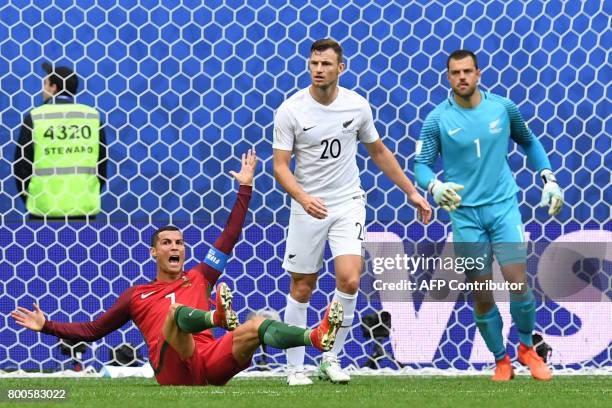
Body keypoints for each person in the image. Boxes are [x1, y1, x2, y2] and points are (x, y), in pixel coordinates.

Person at [11, 150, 344, 386]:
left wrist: (245, 187)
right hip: (171, 370)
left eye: (180, 243)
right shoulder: (137, 296)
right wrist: (47, 325)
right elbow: (93, 331)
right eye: (167, 243)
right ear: (154, 252)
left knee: (256, 324)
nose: (175, 247)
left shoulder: (200, 276)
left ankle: (314, 336)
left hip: (209, 363)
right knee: (174, 314)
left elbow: (229, 236)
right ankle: (216, 318)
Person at [273, 39, 432, 385]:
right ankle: (294, 367)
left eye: (326, 64)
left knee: (349, 278)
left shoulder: (357, 107)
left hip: (347, 203)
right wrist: (302, 197)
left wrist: (412, 193)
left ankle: (330, 357)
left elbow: (378, 152)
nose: (318, 69)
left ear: (340, 68)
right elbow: (281, 166)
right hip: (307, 207)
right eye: (314, 63)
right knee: (302, 285)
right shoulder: (291, 110)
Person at [414, 50, 564, 381]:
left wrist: (548, 179)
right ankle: (501, 360)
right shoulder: (437, 119)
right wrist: (434, 187)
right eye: (455, 72)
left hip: (503, 208)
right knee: (481, 294)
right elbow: (421, 166)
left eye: (467, 71)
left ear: (479, 74)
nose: (462, 77)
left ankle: (526, 347)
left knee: (517, 281)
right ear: (448, 77)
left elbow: (529, 141)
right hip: (465, 216)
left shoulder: (503, 108)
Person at [13, 62, 107, 218]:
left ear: (53, 87)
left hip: (43, 210)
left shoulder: (36, 117)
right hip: (83, 209)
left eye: (45, 84)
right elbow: (102, 167)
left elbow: (21, 167)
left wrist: (32, 199)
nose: (42, 89)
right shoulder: (92, 117)